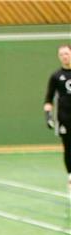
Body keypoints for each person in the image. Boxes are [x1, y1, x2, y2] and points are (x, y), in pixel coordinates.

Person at [43, 43, 71, 188]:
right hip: (65, 118)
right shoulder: (55, 76)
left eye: (66, 53)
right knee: (68, 148)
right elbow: (48, 99)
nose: (64, 57)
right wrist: (48, 116)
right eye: (61, 55)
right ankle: (70, 176)